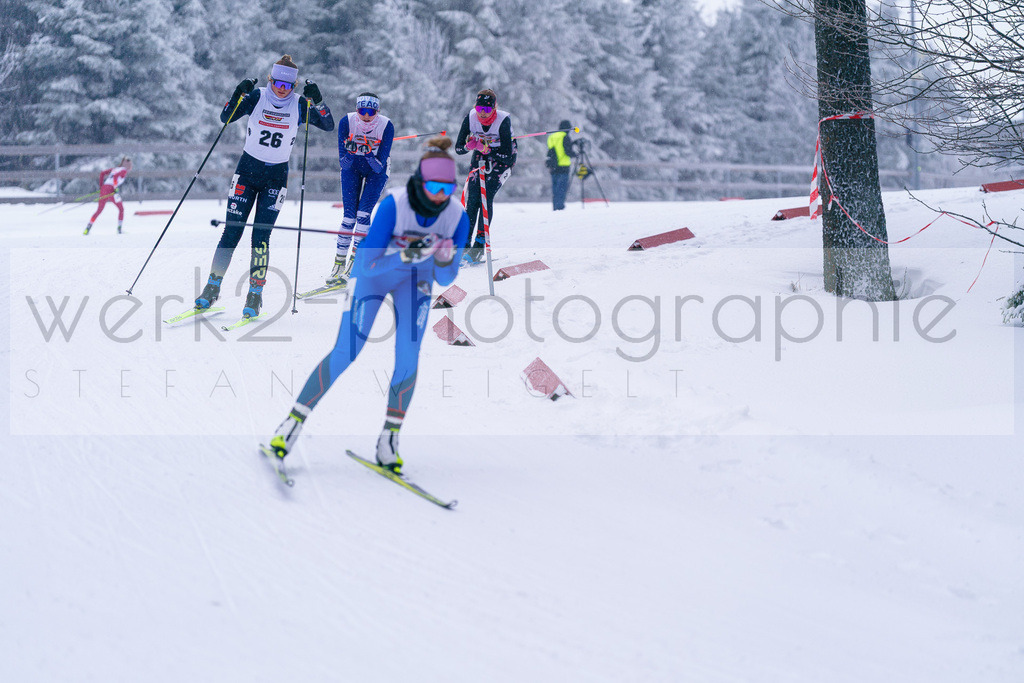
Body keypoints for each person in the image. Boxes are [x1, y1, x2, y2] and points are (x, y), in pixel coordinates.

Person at [266, 137, 469, 475]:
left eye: (447, 187)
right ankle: (291, 424)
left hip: (415, 284)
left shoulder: (457, 217)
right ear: (421, 180)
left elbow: (447, 278)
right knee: (347, 351)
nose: (440, 194)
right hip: (375, 278)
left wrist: (446, 257)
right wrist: (406, 253)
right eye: (434, 185)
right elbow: (366, 265)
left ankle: (389, 439)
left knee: (408, 356)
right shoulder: (395, 205)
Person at [194, 55, 334, 318]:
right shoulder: (257, 97)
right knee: (231, 233)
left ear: (293, 86)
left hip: (276, 177)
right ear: (271, 79)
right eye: (277, 83)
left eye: (287, 85)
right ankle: (212, 289)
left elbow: (328, 125)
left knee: (260, 239)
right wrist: (238, 93)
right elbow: (225, 117)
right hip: (246, 172)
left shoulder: (299, 104)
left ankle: (254, 295)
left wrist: (318, 100)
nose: (282, 89)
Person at [327, 92, 395, 286]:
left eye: (371, 111)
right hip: (352, 169)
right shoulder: (347, 122)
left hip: (376, 172)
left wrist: (368, 154)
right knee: (349, 217)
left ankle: (356, 263)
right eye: (362, 111)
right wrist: (350, 153)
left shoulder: (386, 125)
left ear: (377, 111)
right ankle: (338, 264)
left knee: (363, 214)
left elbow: (379, 166)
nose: (366, 116)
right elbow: (344, 163)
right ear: (357, 110)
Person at [454, 88, 517, 263]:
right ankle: (464, 243)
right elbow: (458, 148)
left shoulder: (503, 120)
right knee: (472, 197)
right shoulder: (471, 117)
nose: (482, 113)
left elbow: (507, 153)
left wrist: (486, 148)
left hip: (503, 160)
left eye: (487, 110)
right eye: (480, 108)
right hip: (481, 156)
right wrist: (469, 146)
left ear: (494, 109)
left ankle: (479, 244)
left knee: (486, 195)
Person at [83, 156, 132, 235]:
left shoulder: (115, 169)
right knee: (121, 209)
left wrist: (101, 186)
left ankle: (88, 228)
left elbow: (102, 173)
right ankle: (119, 229)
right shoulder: (124, 170)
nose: (130, 167)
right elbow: (115, 177)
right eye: (129, 165)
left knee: (99, 210)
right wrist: (115, 187)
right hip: (111, 189)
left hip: (104, 188)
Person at [546, 120, 575, 210]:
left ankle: (555, 207)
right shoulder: (565, 137)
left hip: (553, 166)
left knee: (555, 189)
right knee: (561, 189)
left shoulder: (552, 136)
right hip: (563, 166)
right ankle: (560, 207)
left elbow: (551, 151)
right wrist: (576, 154)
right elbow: (568, 152)